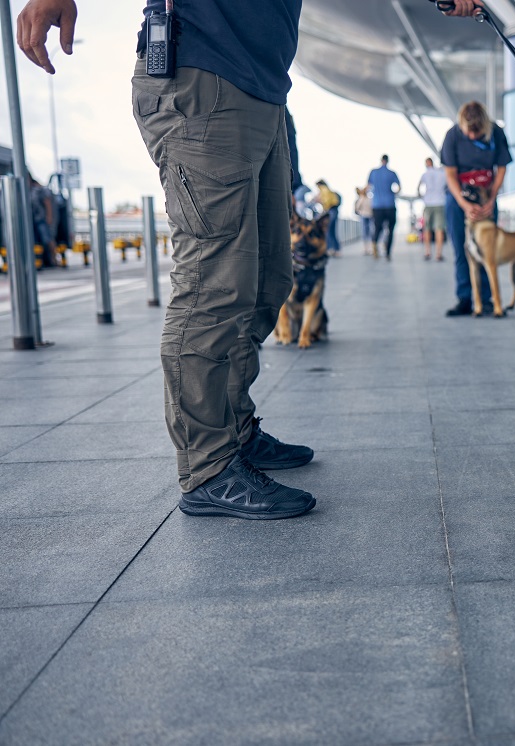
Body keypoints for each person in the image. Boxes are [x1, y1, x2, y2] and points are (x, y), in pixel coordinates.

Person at [18, 0, 478, 521]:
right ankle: (209, 468)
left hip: (262, 91)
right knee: (213, 286)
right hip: (203, 75)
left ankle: (235, 432)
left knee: (267, 280)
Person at [441, 101, 512, 316]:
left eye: (477, 132)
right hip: (458, 199)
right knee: (462, 249)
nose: (472, 136)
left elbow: (501, 168)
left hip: (486, 196)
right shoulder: (452, 136)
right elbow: (450, 174)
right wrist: (464, 205)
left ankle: (487, 299)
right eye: (468, 132)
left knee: (487, 252)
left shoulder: (496, 133)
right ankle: (465, 298)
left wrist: (491, 198)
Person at [366, 154, 401, 260]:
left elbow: (368, 187)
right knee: (390, 229)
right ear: (388, 161)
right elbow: (399, 187)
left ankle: (374, 245)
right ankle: (388, 253)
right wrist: (393, 193)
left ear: (381, 160)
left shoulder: (373, 172)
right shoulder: (392, 173)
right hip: (390, 204)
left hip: (377, 205)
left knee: (377, 228)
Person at [417, 157, 447, 261]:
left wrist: (423, 197)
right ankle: (439, 254)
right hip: (440, 202)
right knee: (439, 229)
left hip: (428, 203)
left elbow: (418, 189)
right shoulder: (442, 174)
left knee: (427, 228)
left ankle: (427, 252)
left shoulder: (425, 175)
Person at [313, 179, 341, 257]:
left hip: (329, 211)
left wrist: (319, 201)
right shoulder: (329, 190)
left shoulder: (324, 190)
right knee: (332, 231)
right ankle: (336, 250)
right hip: (334, 211)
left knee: (327, 231)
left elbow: (326, 202)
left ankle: (329, 250)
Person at [354, 186, 373, 255]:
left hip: (369, 216)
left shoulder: (369, 199)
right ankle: (366, 249)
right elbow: (357, 208)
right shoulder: (362, 199)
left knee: (370, 232)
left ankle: (370, 248)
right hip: (364, 216)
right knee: (365, 232)